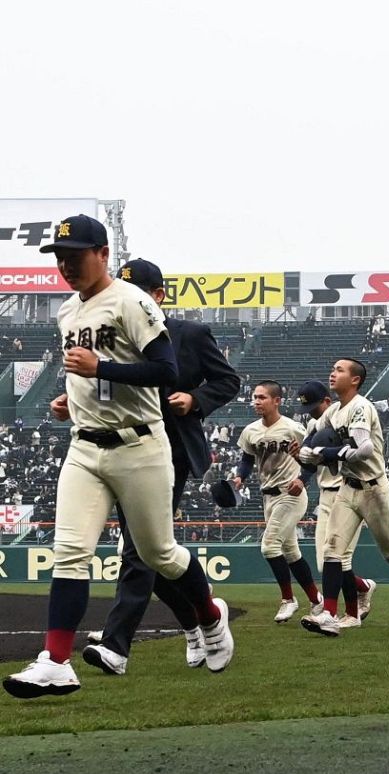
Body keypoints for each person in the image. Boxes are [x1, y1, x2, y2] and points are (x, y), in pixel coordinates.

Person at [5, 216, 234, 699]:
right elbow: (89, 374)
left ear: (103, 253)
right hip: (85, 447)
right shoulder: (68, 311)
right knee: (70, 553)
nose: (67, 264)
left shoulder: (133, 301)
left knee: (159, 554)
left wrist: (100, 366)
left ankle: (211, 616)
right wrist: (72, 396)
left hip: (140, 446)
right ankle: (56, 661)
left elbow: (165, 370)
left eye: (77, 254)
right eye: (60, 256)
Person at [80, 258, 239, 677]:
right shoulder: (110, 336)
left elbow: (229, 381)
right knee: (153, 550)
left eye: (139, 293)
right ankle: (198, 621)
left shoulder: (190, 334)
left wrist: (195, 400)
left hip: (169, 450)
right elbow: (103, 387)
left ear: (159, 296)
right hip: (120, 449)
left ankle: (116, 644)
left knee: (139, 550)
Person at [298, 358, 389, 636]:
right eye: (333, 368)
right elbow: (314, 434)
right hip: (348, 488)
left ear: (355, 380)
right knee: (331, 551)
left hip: (374, 489)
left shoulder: (361, 407)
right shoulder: (335, 410)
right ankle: (328, 614)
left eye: (339, 370)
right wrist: (305, 450)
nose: (332, 372)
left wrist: (328, 454)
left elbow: (364, 449)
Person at [234, 381, 321, 623]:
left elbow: (312, 458)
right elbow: (247, 459)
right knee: (291, 551)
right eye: (254, 397)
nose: (256, 401)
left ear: (277, 401)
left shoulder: (293, 428)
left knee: (269, 547)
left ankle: (288, 599)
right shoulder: (250, 430)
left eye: (262, 397)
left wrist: (303, 480)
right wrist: (240, 476)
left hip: (290, 494)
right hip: (268, 496)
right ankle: (316, 600)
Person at [296, 380, 376, 627]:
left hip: (349, 491)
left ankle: (350, 614)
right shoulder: (314, 425)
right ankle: (363, 586)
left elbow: (361, 450)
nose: (311, 413)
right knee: (325, 562)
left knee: (341, 558)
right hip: (325, 495)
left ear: (327, 402)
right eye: (307, 408)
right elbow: (309, 459)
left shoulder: (349, 420)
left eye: (314, 407)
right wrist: (301, 473)